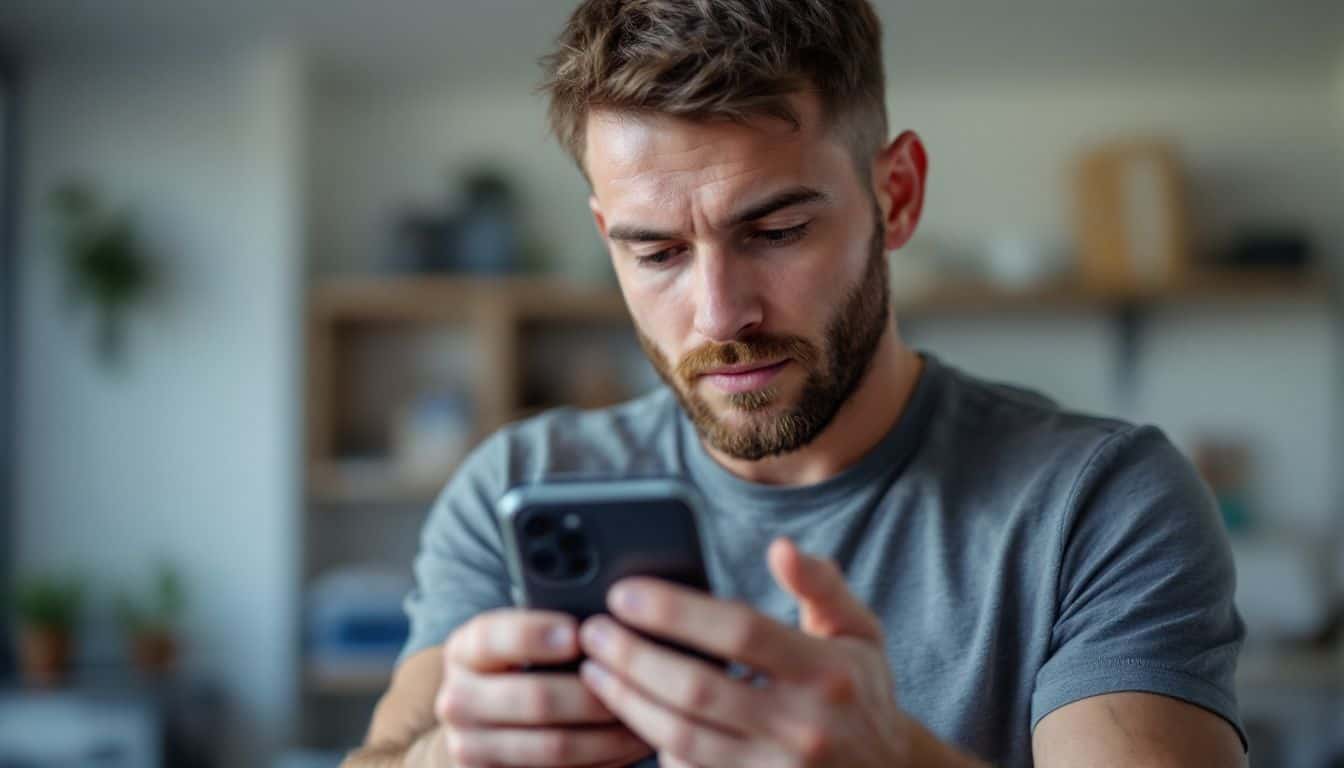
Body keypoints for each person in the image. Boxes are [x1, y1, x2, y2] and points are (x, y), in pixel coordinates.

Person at [344, 0, 1247, 765]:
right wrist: (451, 756)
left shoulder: (1100, 500)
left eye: (776, 232)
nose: (719, 314)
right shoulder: (517, 486)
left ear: (895, 195)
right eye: (655, 251)